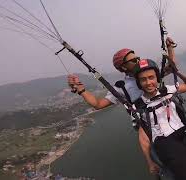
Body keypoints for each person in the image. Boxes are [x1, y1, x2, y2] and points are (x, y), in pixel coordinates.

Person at [67, 38, 176, 175]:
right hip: (149, 127)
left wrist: (170, 48)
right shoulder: (122, 88)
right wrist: (81, 90)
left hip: (168, 118)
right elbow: (98, 104)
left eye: (138, 58)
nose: (138, 61)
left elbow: (172, 68)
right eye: (134, 60)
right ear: (123, 67)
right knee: (164, 163)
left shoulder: (149, 74)